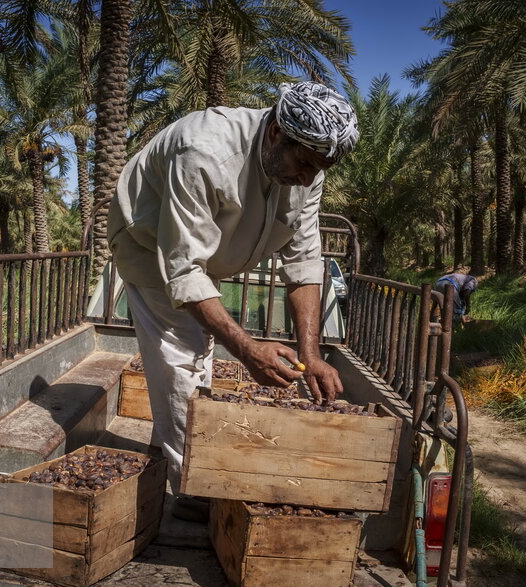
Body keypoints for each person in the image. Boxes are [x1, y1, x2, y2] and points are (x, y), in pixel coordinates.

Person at [107, 81, 360, 521]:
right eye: (303, 164)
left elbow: (303, 263)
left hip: (204, 261)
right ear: (278, 133)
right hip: (151, 250)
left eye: (317, 170)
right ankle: (194, 488)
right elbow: (184, 272)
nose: (306, 178)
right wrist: (246, 349)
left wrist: (311, 353)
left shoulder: (307, 169)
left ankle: (166, 448)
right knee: (183, 356)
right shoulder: (202, 151)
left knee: (198, 354)